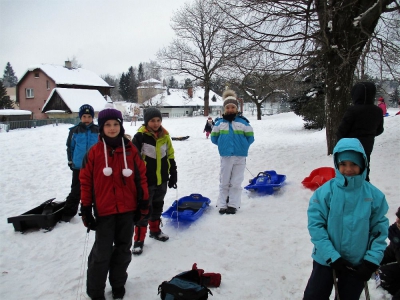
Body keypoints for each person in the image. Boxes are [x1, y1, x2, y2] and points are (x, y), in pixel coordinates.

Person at [303, 137, 389, 300]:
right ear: (337, 164)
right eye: (343, 164)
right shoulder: (325, 193)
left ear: (363, 164)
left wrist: (371, 261)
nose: (348, 169)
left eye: (353, 164)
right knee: (314, 296)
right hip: (325, 259)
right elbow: (316, 226)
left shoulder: (374, 196)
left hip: (357, 263)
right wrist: (331, 256)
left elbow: (379, 231)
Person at [79, 108, 149, 300]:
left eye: (115, 124)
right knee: (101, 254)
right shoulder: (93, 153)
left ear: (121, 125)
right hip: (104, 211)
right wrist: (86, 208)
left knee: (123, 250)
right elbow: (85, 182)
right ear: (101, 128)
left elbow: (140, 177)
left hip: (128, 210)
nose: (112, 128)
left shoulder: (131, 150)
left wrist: (143, 202)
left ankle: (118, 284)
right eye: (107, 125)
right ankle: (95, 291)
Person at [131, 107, 177, 255]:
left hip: (162, 179)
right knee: (144, 209)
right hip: (146, 180)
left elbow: (170, 155)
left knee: (158, 205)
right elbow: (133, 159)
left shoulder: (165, 136)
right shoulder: (140, 137)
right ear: (146, 122)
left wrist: (173, 173)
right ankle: (138, 240)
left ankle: (155, 230)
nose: (156, 123)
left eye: (158, 120)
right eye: (152, 121)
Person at [211, 89, 254, 215]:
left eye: (232, 107)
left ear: (236, 109)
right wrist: (223, 145)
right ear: (224, 109)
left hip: (240, 156)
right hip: (226, 156)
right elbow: (214, 138)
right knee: (224, 181)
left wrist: (243, 146)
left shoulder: (243, 122)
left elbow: (250, 137)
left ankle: (233, 204)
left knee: (236, 181)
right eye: (228, 107)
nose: (230, 110)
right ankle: (223, 204)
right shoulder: (219, 123)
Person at [336, 81, 384, 182]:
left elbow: (342, 130)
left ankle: (348, 189)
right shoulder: (377, 111)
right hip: (367, 146)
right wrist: (368, 135)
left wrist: (341, 143)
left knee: (348, 168)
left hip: (350, 146)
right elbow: (380, 130)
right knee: (364, 166)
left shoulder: (353, 110)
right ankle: (365, 187)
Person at [62, 104, 99, 222]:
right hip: (79, 166)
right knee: (76, 190)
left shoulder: (98, 130)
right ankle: (68, 212)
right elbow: (70, 147)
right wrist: (70, 161)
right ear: (80, 117)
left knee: (95, 189)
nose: (87, 119)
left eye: (89, 116)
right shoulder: (75, 131)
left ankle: (91, 210)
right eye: (84, 116)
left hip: (94, 166)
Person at [378, 207, 400, 300]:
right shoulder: (397, 233)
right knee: (384, 273)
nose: (397, 220)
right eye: (398, 217)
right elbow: (390, 253)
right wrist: (373, 259)